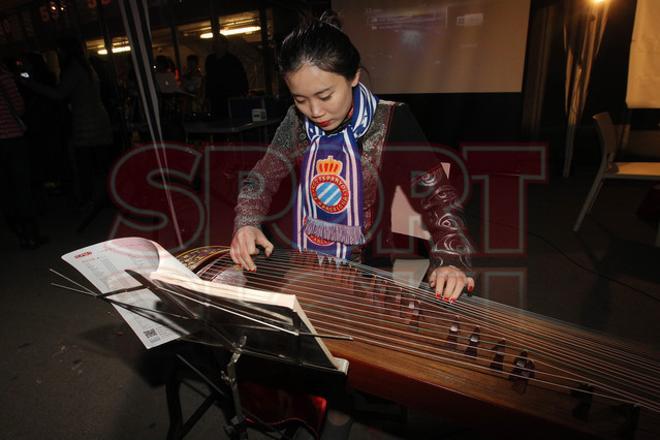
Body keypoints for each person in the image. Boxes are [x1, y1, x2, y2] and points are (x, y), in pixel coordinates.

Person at [230, 12, 474, 303]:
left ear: (354, 75)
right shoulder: (297, 122)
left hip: (369, 269)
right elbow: (262, 176)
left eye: (325, 95)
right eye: (300, 99)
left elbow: (438, 196)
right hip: (309, 258)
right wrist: (246, 222)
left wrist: (450, 257)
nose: (314, 111)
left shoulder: (392, 120)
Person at [22, 37, 113, 207]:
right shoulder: (87, 67)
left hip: (86, 123)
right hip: (97, 118)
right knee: (99, 162)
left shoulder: (75, 68)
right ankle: (106, 197)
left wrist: (30, 84)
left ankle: (90, 199)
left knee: (84, 163)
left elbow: (59, 94)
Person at [0, 61, 47, 249]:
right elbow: (19, 107)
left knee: (5, 189)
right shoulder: (4, 76)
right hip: (12, 139)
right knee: (22, 187)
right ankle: (30, 235)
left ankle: (18, 232)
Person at [204, 34, 249, 118]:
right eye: (215, 43)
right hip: (215, 97)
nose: (216, 45)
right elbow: (208, 79)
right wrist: (207, 96)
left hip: (230, 97)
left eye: (218, 43)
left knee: (229, 118)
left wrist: (242, 94)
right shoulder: (210, 60)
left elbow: (241, 78)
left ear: (225, 45)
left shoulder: (233, 60)